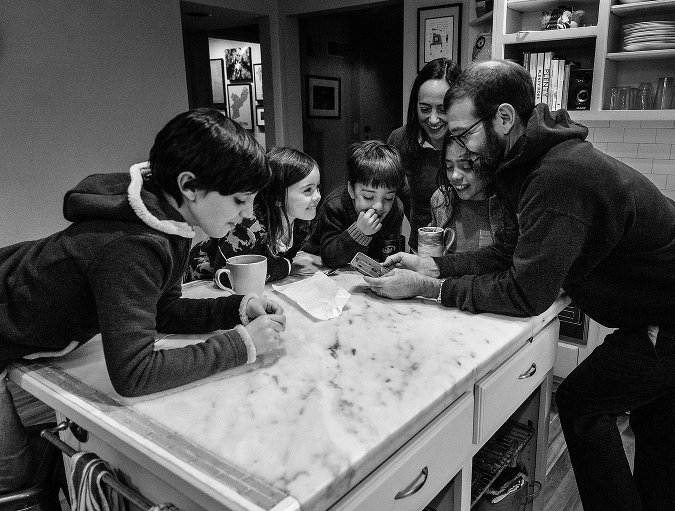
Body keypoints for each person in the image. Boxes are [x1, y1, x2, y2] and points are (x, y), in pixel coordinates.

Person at [364, 60, 675, 511]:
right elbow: (512, 250)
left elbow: (525, 294)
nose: (456, 145)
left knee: (581, 403)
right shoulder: (528, 160)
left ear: (504, 118)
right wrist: (434, 267)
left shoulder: (556, 176)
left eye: (463, 132)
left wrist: (429, 289)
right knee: (661, 428)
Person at [0, 108, 286, 494]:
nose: (248, 214)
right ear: (190, 186)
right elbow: (134, 374)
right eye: (239, 200)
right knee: (13, 479)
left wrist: (235, 308)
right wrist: (243, 344)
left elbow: (161, 309)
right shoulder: (131, 246)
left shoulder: (167, 220)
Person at [186, 147, 321, 283]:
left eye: (318, 187)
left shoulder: (302, 226)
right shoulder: (247, 228)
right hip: (205, 281)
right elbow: (231, 277)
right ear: (278, 197)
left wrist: (283, 265)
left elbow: (285, 260)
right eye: (308, 190)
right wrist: (285, 267)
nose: (318, 196)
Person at [387, 58, 461, 251]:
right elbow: (386, 191)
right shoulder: (400, 140)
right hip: (421, 249)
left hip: (464, 254)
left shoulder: (472, 141)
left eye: (443, 110)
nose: (433, 119)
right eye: (425, 109)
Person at [303, 140, 405, 268]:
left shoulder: (395, 208)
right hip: (319, 267)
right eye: (369, 196)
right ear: (351, 190)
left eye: (389, 197)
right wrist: (359, 232)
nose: (379, 206)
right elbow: (330, 258)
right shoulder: (334, 206)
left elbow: (388, 252)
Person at [429, 137, 501, 254]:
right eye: (449, 167)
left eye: (466, 167)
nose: (455, 176)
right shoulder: (442, 198)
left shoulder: (507, 205)